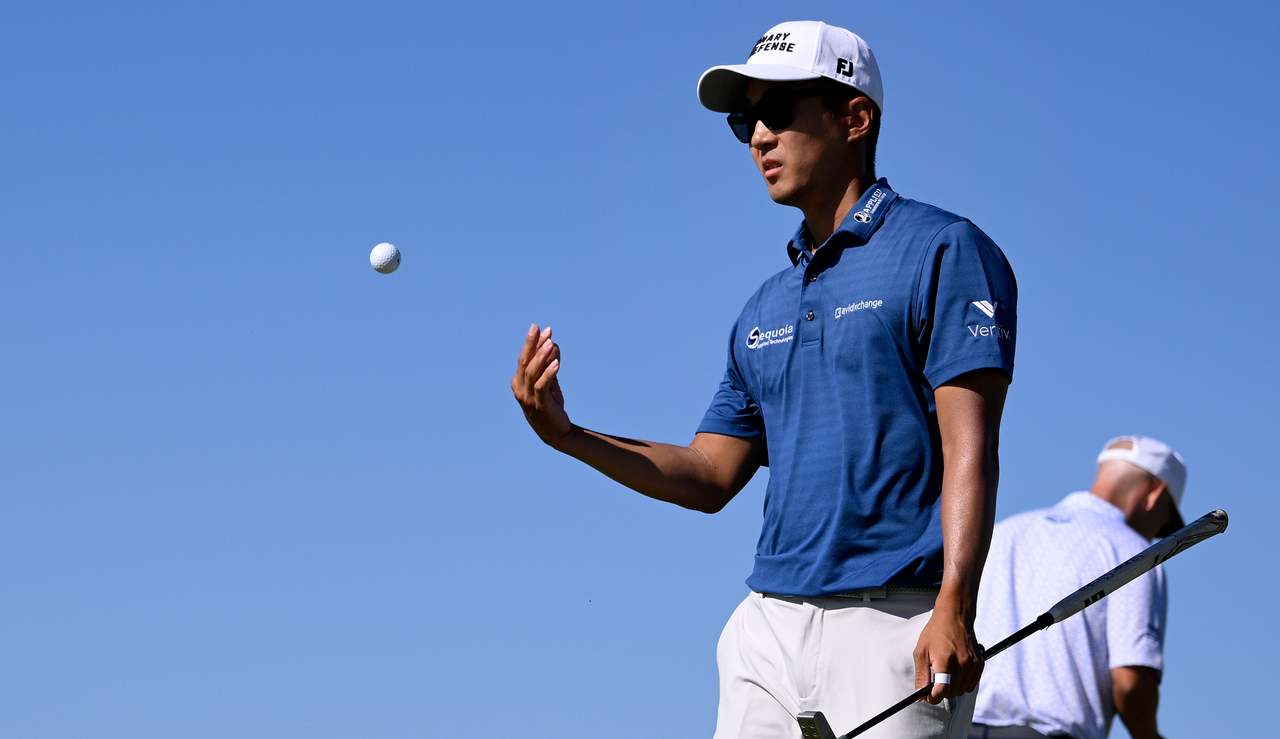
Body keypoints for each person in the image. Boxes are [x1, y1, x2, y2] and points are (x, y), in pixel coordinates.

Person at [512, 20, 1017, 739]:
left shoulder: (944, 248)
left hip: (894, 623)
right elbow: (711, 473)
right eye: (745, 120)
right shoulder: (764, 307)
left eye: (777, 113)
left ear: (855, 118)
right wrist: (567, 435)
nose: (757, 136)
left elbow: (972, 445)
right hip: (766, 627)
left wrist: (956, 603)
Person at [970, 436, 1186, 739]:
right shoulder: (1135, 553)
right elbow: (1130, 683)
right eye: (1166, 520)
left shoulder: (1004, 532)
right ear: (1154, 494)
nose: (1158, 532)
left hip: (962, 730)